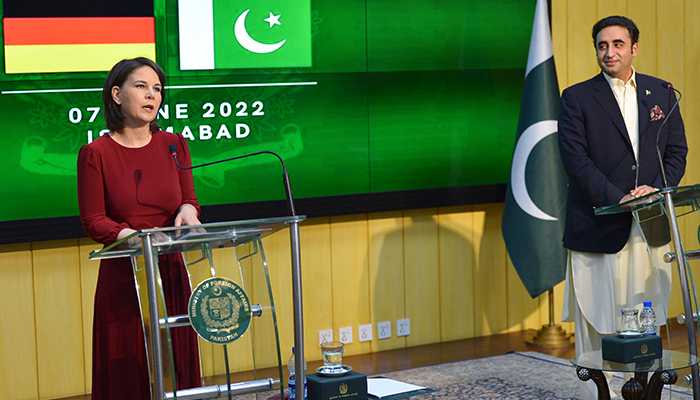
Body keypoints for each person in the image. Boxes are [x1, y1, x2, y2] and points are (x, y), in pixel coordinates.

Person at [558, 16, 687, 399]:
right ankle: (598, 393)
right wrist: (619, 197)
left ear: (634, 48)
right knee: (597, 324)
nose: (608, 52)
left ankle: (647, 391)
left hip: (649, 226)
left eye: (617, 44)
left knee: (646, 321)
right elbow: (575, 160)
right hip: (598, 224)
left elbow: (676, 153)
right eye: (602, 45)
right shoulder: (576, 96)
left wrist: (657, 190)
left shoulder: (662, 93)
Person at [77, 57, 201, 399]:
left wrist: (189, 212)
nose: (152, 96)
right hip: (125, 271)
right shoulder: (95, 153)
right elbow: (94, 220)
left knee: (177, 364)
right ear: (116, 94)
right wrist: (134, 237)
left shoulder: (174, 144)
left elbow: (188, 200)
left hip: (171, 268)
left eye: (158, 89)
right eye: (141, 86)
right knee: (127, 368)